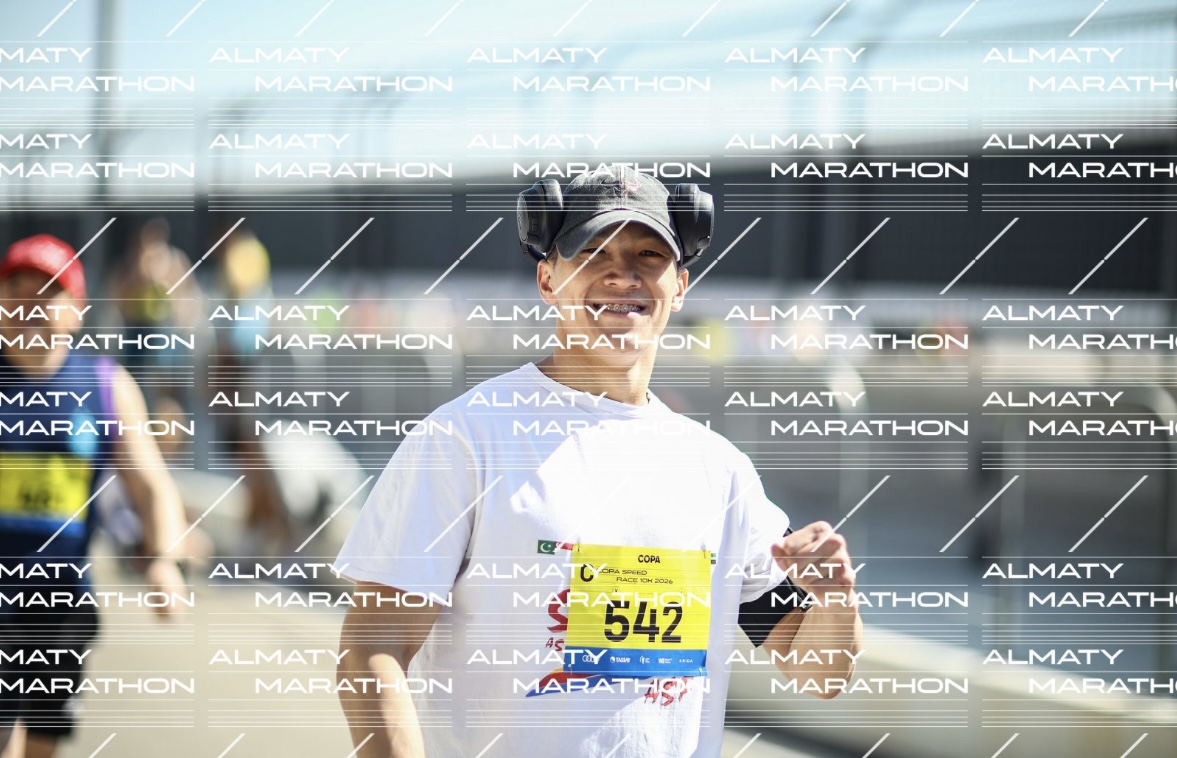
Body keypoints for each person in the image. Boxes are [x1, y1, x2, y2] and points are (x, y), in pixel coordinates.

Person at [334, 166, 864, 757]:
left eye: (648, 254)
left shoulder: (719, 471)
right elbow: (370, 653)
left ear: (680, 287)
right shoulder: (466, 438)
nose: (622, 274)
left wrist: (835, 600)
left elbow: (816, 669)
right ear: (547, 280)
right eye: (592, 252)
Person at [0, 234, 189, 758]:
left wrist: (165, 561)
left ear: (77, 311)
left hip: (62, 601)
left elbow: (151, 484)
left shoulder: (105, 384)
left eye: (47, 295)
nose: (29, 306)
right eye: (16, 291)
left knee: (43, 742)